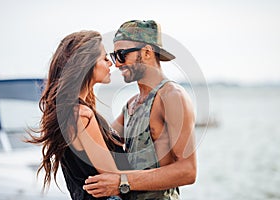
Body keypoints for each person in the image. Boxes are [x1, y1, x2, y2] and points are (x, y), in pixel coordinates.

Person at [83, 20, 197, 199]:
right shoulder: (130, 105)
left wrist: (122, 182)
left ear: (146, 52)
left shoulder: (172, 97)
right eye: (113, 56)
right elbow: (101, 144)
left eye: (121, 55)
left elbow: (188, 171)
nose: (117, 64)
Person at [26, 30, 135, 200]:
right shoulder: (81, 115)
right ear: (87, 64)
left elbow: (102, 146)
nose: (110, 63)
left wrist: (132, 107)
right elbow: (115, 178)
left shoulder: (72, 111)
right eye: (104, 58)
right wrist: (163, 174)